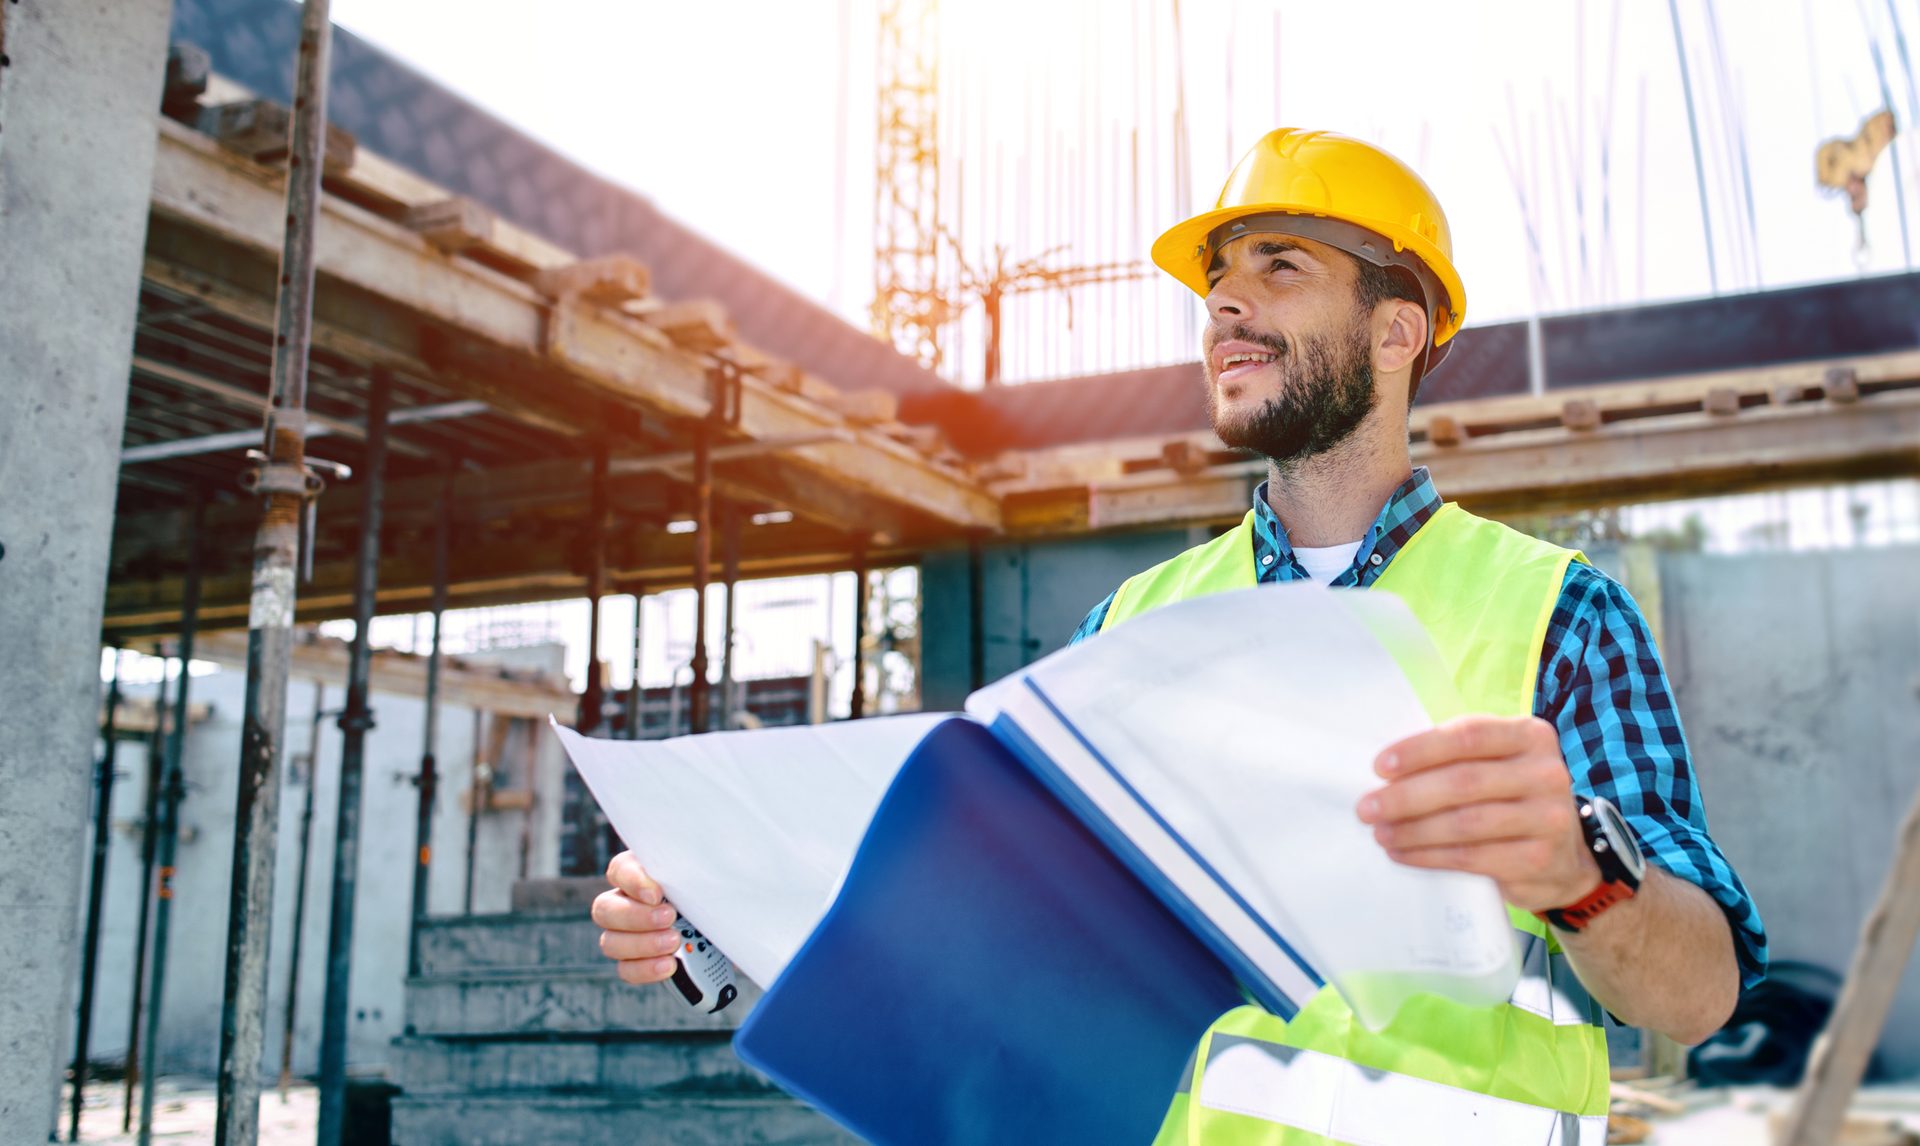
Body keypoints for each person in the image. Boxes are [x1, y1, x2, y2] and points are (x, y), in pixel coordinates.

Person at [593, 129, 1764, 1146]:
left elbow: (1700, 993)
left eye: (1279, 264)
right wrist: (724, 895)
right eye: (1217, 278)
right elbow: (999, 936)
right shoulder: (1134, 628)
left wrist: (1578, 877)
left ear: (1398, 329)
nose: (1224, 302)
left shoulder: (1556, 611)